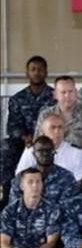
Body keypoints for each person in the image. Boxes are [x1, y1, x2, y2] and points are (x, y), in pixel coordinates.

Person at [4, 55, 54, 188]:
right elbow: (12, 126)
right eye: (33, 69)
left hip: (50, 140)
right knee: (5, 146)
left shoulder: (54, 96)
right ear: (27, 73)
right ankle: (8, 189)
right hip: (24, 141)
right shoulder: (17, 99)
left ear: (46, 73)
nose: (37, 72)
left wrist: (41, 138)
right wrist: (24, 136)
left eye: (40, 69)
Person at [0, 168, 62, 248]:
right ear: (22, 186)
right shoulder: (9, 211)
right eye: (30, 182)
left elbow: (51, 243)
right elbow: (4, 243)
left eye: (38, 182)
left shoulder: (52, 210)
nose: (35, 185)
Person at [36, 76, 82, 152]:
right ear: (55, 94)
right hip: (49, 160)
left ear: (76, 92)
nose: (67, 96)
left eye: (71, 91)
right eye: (63, 92)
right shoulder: (45, 116)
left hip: (78, 161)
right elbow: (38, 144)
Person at [10, 136, 79, 206]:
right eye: (40, 151)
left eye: (49, 150)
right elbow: (13, 207)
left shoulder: (67, 178)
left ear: (54, 152)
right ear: (34, 154)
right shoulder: (22, 177)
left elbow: (69, 208)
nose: (45, 154)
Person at [15, 113, 82, 180]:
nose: (57, 132)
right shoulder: (31, 150)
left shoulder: (76, 153)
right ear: (43, 131)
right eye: (52, 128)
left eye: (60, 128)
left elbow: (79, 182)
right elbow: (20, 178)